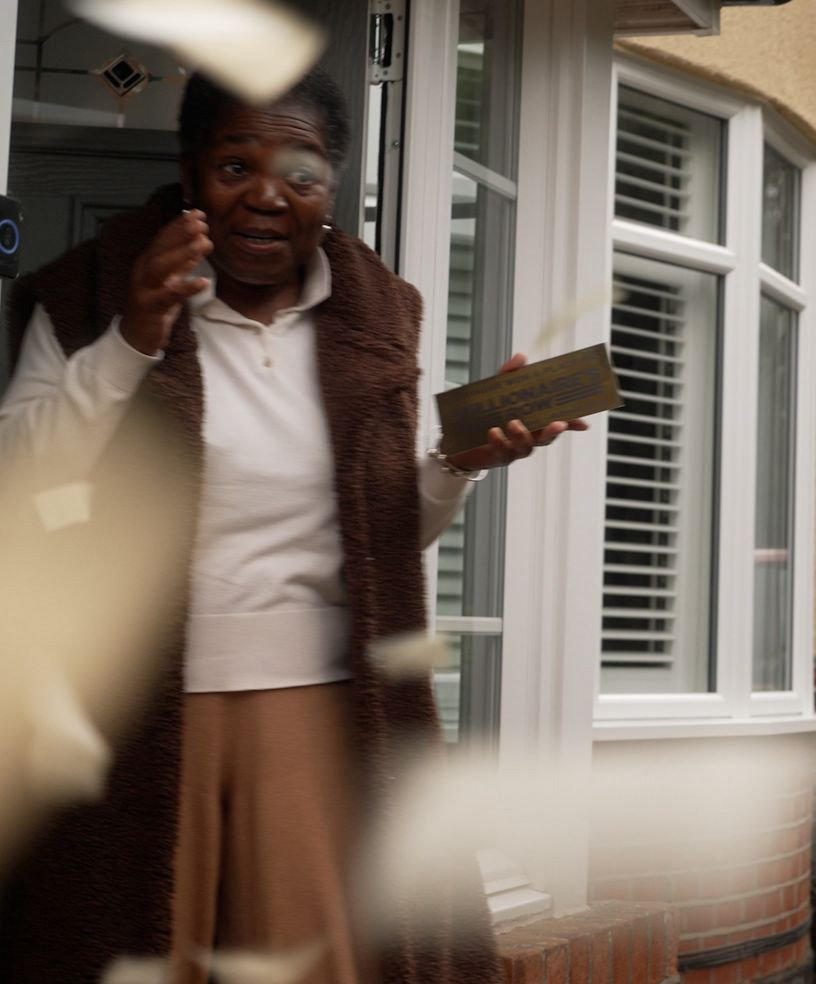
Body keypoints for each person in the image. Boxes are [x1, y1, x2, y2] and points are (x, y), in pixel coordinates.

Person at [0, 69, 583, 983]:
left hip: (319, 706)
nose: (268, 196)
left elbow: (382, 539)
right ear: (190, 174)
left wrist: (460, 464)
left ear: (332, 188)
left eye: (301, 173)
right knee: (124, 952)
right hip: (128, 707)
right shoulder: (84, 297)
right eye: (236, 165)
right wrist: (133, 338)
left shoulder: (380, 317)